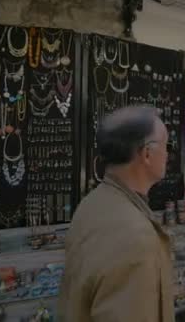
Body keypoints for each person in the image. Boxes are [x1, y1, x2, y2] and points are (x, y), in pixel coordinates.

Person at [58, 106, 174, 321]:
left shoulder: (92, 203)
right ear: (147, 154)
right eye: (166, 145)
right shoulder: (135, 236)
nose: (168, 154)